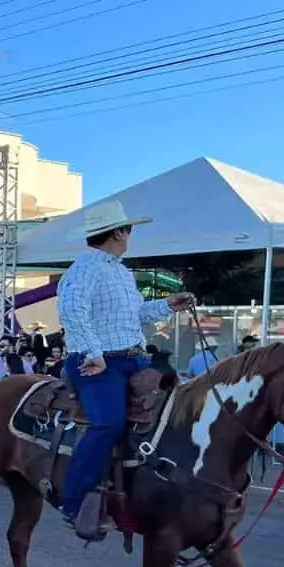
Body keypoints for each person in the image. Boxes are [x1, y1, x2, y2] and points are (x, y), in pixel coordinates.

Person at [56, 201, 195, 539]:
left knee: (172, 407)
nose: (130, 235)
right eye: (129, 229)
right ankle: (71, 498)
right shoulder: (85, 268)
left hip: (133, 358)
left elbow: (131, 316)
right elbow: (72, 311)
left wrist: (166, 305)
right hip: (97, 362)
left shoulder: (120, 270)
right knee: (108, 423)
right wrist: (93, 352)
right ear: (118, 232)